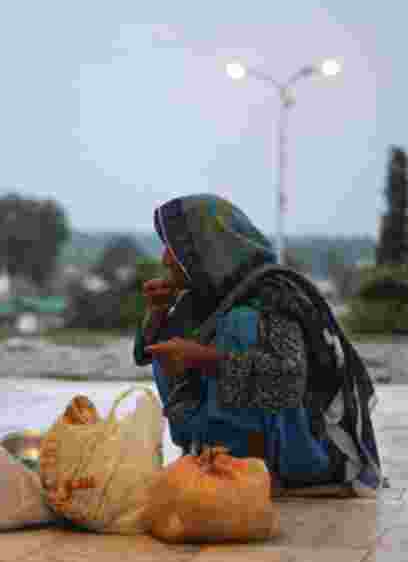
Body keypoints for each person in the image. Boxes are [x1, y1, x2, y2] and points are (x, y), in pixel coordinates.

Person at [133, 194, 382, 497]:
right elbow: (145, 357)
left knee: (239, 325)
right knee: (169, 342)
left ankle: (253, 463)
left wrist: (205, 359)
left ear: (206, 249)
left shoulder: (272, 295)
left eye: (175, 248)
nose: (166, 259)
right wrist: (157, 313)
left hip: (303, 449)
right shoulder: (200, 298)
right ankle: (213, 453)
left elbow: (287, 378)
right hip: (223, 439)